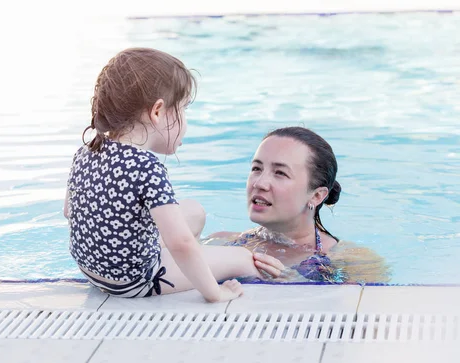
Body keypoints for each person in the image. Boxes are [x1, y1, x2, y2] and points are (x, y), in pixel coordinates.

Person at [64, 48, 261, 302]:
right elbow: (180, 242)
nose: (185, 120)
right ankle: (199, 273)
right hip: (134, 281)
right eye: (183, 108)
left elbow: (70, 211)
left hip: (92, 271)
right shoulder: (147, 166)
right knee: (244, 259)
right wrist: (215, 292)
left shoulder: (87, 150)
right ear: (157, 112)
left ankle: (193, 266)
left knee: (193, 212)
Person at [208, 127, 389, 283]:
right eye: (257, 168)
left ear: (317, 196)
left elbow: (369, 314)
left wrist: (303, 288)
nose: (259, 183)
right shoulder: (221, 243)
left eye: (280, 173)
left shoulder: (351, 261)